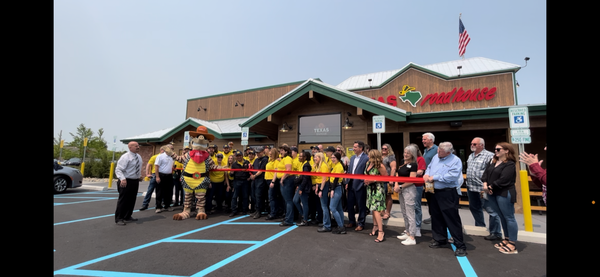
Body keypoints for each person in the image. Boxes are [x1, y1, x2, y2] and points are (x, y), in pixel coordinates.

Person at [423, 142, 467, 257]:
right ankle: (440, 239)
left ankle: (460, 245)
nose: (438, 152)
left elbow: (452, 176)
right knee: (436, 216)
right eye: (438, 150)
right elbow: (429, 168)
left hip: (447, 192)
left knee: (451, 218)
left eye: (440, 151)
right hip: (433, 191)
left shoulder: (455, 160)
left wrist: (434, 177)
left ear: (448, 152)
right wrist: (426, 175)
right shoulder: (435, 157)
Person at [482, 142, 519, 254]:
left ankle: (512, 243)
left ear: (507, 150)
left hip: (504, 192)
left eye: (498, 149)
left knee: (509, 217)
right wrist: (485, 186)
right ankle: (506, 238)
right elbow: (485, 175)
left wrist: (491, 186)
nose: (496, 151)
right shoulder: (493, 161)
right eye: (495, 149)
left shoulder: (510, 164)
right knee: (501, 216)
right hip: (492, 192)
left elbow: (505, 179)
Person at [466, 137, 501, 241]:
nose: (472, 145)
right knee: (474, 208)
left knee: (491, 210)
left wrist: (489, 185)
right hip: (471, 187)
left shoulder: (490, 155)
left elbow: (493, 172)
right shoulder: (471, 155)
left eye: (475, 144)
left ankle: (495, 232)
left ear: (481, 145)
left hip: (483, 188)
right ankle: (480, 227)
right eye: (472, 143)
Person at [114, 141, 143, 226]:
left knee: (132, 199)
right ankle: (119, 218)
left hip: (134, 181)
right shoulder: (125, 157)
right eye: (136, 146)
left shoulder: (138, 157)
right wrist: (122, 179)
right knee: (123, 200)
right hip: (126, 181)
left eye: (138, 145)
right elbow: (118, 169)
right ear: (130, 147)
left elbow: (136, 168)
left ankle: (127, 216)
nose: (138, 147)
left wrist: (138, 176)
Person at [395, 145, 419, 245]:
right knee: (404, 212)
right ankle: (408, 231)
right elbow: (397, 173)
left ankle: (412, 236)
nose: (405, 155)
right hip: (401, 189)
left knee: (410, 213)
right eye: (405, 152)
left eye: (408, 153)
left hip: (408, 189)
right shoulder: (402, 162)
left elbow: (412, 180)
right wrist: (396, 183)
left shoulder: (413, 165)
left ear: (412, 154)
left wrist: (400, 187)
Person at [363, 149, 388, 242]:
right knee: (372, 209)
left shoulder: (380, 166)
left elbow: (385, 178)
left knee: (377, 209)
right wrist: (366, 180)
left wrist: (373, 180)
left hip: (377, 190)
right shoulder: (367, 164)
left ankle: (381, 231)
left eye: (370, 155)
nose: (368, 157)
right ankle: (375, 226)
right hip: (370, 189)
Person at [345, 140, 369, 232]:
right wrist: (347, 182)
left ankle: (361, 223)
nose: (353, 148)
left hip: (360, 185)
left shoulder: (366, 158)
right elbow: (349, 170)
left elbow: (366, 171)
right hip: (351, 184)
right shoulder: (352, 158)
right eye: (353, 147)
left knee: (361, 205)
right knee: (350, 204)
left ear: (360, 148)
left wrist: (363, 182)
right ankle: (351, 221)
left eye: (355, 147)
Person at [409, 143, 426, 235]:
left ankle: (418, 226)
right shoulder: (408, 160)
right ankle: (410, 227)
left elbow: (420, 171)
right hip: (408, 185)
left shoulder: (420, 159)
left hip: (417, 185)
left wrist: (410, 174)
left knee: (416, 206)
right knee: (409, 207)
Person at [421, 132, 438, 225]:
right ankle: (432, 216)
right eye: (423, 139)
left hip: (433, 179)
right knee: (429, 198)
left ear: (431, 140)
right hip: (426, 179)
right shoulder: (425, 150)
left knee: (433, 198)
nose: (423, 141)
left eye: (425, 139)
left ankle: (435, 217)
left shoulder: (436, 150)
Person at [313, 152, 332, 232]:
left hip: (324, 186)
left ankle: (327, 225)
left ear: (320, 157)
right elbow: (319, 178)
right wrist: (317, 186)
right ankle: (326, 222)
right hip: (321, 185)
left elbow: (324, 179)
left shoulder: (323, 166)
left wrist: (321, 189)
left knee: (324, 206)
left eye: (316, 157)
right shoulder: (319, 166)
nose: (314, 158)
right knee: (323, 206)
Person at [329, 152, 347, 234]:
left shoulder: (339, 166)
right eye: (332, 157)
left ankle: (341, 227)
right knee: (339, 209)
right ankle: (341, 225)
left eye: (334, 158)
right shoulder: (336, 165)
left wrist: (332, 190)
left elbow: (336, 179)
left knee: (332, 208)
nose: (332, 159)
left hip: (336, 188)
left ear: (338, 158)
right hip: (337, 188)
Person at [229, 151, 251, 217]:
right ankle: (234, 211)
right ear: (235, 157)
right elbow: (231, 175)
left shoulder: (247, 162)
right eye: (237, 156)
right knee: (235, 196)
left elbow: (251, 171)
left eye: (240, 155)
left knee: (245, 196)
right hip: (237, 181)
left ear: (242, 155)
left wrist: (249, 177)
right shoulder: (234, 164)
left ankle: (244, 210)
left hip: (245, 181)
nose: (239, 157)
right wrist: (231, 173)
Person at [278, 145, 296, 227]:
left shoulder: (288, 158)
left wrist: (282, 179)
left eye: (282, 150)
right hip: (286, 180)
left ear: (286, 151)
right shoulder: (284, 159)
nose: (280, 152)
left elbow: (288, 170)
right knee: (286, 200)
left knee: (288, 200)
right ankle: (288, 217)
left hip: (287, 180)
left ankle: (289, 220)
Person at [154, 145, 175, 213]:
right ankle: (158, 206)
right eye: (171, 148)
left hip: (169, 176)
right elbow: (156, 166)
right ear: (166, 149)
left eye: (172, 148)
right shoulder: (160, 156)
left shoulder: (172, 157)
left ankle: (167, 205)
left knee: (168, 191)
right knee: (159, 191)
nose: (172, 150)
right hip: (161, 175)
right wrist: (157, 176)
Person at [294, 151, 312, 226]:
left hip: (304, 187)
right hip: (301, 185)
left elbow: (305, 178)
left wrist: (301, 188)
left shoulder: (306, 166)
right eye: (299, 156)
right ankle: (303, 215)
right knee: (295, 200)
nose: (299, 157)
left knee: (305, 203)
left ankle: (305, 220)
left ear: (305, 157)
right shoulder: (302, 164)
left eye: (301, 156)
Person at [250, 148, 268, 219]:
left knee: (258, 196)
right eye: (256, 152)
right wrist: (251, 174)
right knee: (253, 195)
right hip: (255, 179)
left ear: (262, 152)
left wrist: (255, 175)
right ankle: (256, 210)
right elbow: (253, 168)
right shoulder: (256, 160)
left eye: (259, 152)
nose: (257, 154)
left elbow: (261, 170)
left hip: (260, 179)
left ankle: (259, 211)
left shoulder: (265, 159)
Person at [265, 148, 282, 220]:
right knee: (272, 197)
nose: (270, 154)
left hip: (272, 180)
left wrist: (273, 181)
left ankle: (273, 213)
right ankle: (275, 211)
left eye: (271, 153)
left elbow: (276, 172)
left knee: (272, 197)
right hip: (267, 180)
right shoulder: (270, 161)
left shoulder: (276, 161)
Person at [381, 143, 396, 220]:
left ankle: (388, 212)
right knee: (381, 196)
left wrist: (391, 179)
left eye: (385, 149)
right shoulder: (380, 157)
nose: (383, 150)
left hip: (387, 180)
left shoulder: (391, 157)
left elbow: (393, 168)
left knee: (388, 196)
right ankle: (382, 212)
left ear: (389, 149)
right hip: (380, 180)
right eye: (382, 148)